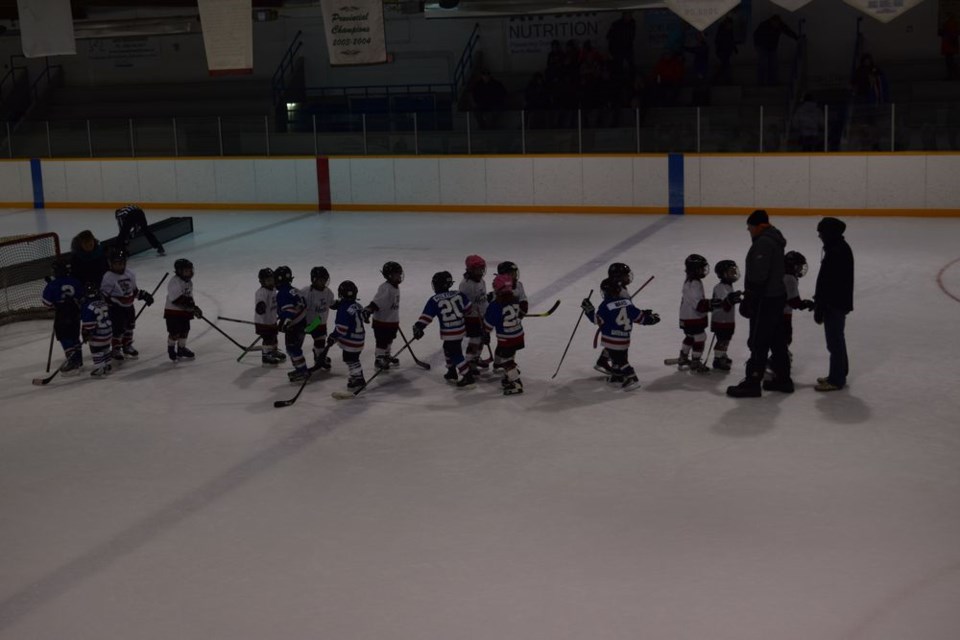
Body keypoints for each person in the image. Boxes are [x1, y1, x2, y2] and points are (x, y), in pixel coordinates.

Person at [726, 210, 790, 397]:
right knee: (777, 339)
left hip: (766, 299)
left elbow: (758, 276)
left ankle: (752, 382)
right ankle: (783, 379)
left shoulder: (764, 243)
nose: (749, 230)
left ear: (760, 226)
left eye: (750, 227)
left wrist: (750, 299)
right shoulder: (774, 239)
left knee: (758, 340)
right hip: (776, 296)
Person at [581, 277, 660, 391]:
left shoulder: (606, 305)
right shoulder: (627, 303)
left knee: (619, 360)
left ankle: (632, 379)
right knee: (621, 358)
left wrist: (588, 309)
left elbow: (596, 320)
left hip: (611, 340)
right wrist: (651, 318)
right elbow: (640, 317)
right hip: (624, 339)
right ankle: (616, 378)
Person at [412, 271, 476, 389]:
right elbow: (469, 309)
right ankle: (451, 371)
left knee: (455, 353)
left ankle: (467, 375)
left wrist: (419, 326)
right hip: (460, 330)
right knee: (447, 348)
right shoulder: (459, 294)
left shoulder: (434, 299)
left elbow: (427, 316)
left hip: (449, 332)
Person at [813, 217, 854, 392]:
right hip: (837, 302)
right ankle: (839, 373)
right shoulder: (837, 248)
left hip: (834, 303)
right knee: (837, 339)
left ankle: (837, 379)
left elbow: (829, 283)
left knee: (834, 341)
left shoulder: (837, 251)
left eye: (821, 232)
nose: (819, 236)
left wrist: (821, 305)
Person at [100, 247, 153, 362]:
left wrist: (143, 296)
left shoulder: (130, 274)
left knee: (130, 327)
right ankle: (116, 349)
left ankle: (127, 345)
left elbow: (133, 291)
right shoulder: (108, 277)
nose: (119, 266)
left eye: (122, 263)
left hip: (129, 307)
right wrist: (107, 305)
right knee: (118, 330)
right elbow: (104, 295)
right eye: (116, 264)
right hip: (116, 309)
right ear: (110, 264)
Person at [41, 259, 84, 375]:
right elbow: (81, 297)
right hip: (75, 313)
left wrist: (51, 286)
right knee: (74, 336)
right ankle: (79, 360)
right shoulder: (75, 281)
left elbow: (47, 303)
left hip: (62, 314)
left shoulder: (52, 285)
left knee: (65, 337)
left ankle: (72, 362)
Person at [484, 274, 525, 396]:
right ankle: (509, 377)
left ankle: (516, 383)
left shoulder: (495, 306)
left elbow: (488, 325)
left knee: (506, 362)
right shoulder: (516, 299)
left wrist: (485, 334)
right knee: (510, 357)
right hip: (519, 335)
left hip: (507, 339)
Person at [674, 254, 711, 372]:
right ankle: (695, 362)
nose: (704, 270)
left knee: (690, 336)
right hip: (693, 317)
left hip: (686, 317)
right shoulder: (694, 283)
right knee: (700, 337)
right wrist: (713, 305)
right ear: (694, 270)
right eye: (701, 268)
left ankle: (683, 357)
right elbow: (698, 304)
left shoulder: (690, 281)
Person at [326, 281, 366, 391]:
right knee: (354, 358)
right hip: (360, 340)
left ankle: (358, 378)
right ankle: (356, 376)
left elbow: (342, 328)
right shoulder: (358, 305)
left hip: (351, 341)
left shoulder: (343, 308)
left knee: (350, 359)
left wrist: (333, 336)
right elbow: (362, 317)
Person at [365, 261, 403, 371]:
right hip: (382, 322)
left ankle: (386, 355)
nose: (399, 276)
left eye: (400, 274)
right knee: (382, 341)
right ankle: (379, 358)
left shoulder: (395, 286)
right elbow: (378, 302)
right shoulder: (385, 288)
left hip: (392, 321)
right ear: (389, 275)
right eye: (397, 274)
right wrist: (369, 309)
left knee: (390, 339)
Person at [274, 266, 309, 383]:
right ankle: (300, 369)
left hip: (295, 326)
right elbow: (300, 305)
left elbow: (289, 311)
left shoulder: (282, 294)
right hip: (303, 323)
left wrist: (285, 322)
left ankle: (302, 371)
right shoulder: (294, 289)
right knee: (294, 348)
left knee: (292, 348)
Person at [164, 258, 202, 362]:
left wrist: (194, 307)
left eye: (190, 270)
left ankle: (181, 348)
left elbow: (189, 297)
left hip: (184, 312)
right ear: (179, 271)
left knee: (185, 330)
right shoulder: (174, 282)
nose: (188, 273)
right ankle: (171, 349)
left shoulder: (189, 282)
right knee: (175, 333)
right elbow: (176, 299)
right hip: (173, 312)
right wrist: (190, 307)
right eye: (186, 271)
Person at [709, 259, 742, 371]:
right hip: (721, 320)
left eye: (734, 270)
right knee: (722, 339)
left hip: (727, 320)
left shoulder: (728, 286)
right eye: (730, 271)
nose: (734, 273)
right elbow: (724, 304)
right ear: (723, 274)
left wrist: (734, 297)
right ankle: (718, 359)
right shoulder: (720, 287)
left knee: (726, 338)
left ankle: (722, 355)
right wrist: (732, 299)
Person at [300, 266, 335, 371]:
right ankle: (299, 359)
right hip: (307, 323)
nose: (323, 282)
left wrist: (342, 303)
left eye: (324, 280)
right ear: (314, 279)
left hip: (320, 322)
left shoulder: (328, 292)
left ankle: (319, 356)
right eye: (321, 280)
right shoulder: (307, 292)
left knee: (320, 341)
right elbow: (298, 306)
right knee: (297, 343)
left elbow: (332, 304)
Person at [459, 255, 489, 373]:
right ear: (470, 270)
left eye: (482, 269)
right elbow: (463, 304)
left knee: (482, 338)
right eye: (477, 269)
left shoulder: (482, 280)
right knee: (475, 339)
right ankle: (469, 361)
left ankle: (476, 358)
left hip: (482, 315)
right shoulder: (466, 285)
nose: (480, 272)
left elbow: (482, 298)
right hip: (472, 318)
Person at [782, 251, 814, 360]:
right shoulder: (789, 279)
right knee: (785, 335)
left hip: (779, 313)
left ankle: (781, 352)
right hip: (782, 314)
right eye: (799, 266)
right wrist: (805, 304)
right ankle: (780, 356)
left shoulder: (783, 275)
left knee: (784, 335)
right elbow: (793, 301)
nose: (801, 269)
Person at [80, 280, 114, 378]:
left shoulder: (87, 306)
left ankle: (99, 369)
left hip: (98, 335)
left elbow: (88, 323)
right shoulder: (103, 303)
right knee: (105, 348)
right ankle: (107, 365)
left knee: (96, 349)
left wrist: (86, 333)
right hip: (108, 333)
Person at [753, 14, 797, 86]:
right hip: (763, 47)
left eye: (777, 24)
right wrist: (757, 46)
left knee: (773, 65)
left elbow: (788, 31)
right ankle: (761, 82)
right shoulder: (764, 25)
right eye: (775, 24)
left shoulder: (780, 25)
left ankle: (771, 82)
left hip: (772, 47)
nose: (776, 25)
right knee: (763, 64)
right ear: (771, 21)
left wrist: (796, 37)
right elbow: (756, 35)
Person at [254, 268, 286, 367]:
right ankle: (266, 355)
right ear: (262, 282)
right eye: (268, 280)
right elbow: (260, 301)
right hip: (263, 322)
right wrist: (261, 306)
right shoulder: (261, 292)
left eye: (271, 279)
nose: (270, 282)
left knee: (274, 336)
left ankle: (273, 351)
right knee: (268, 338)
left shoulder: (273, 289)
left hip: (271, 320)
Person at [606, 11, 636, 77]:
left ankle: (631, 81)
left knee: (631, 67)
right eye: (628, 15)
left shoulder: (632, 23)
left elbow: (631, 37)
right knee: (618, 68)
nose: (630, 17)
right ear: (624, 15)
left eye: (630, 15)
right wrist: (610, 51)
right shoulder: (616, 24)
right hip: (618, 50)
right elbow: (610, 37)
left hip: (628, 49)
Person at [715, 15, 738, 83]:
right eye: (730, 24)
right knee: (725, 66)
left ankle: (723, 79)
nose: (731, 26)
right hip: (723, 51)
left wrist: (734, 48)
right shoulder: (723, 31)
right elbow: (719, 41)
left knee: (725, 66)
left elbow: (731, 40)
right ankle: (726, 80)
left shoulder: (728, 31)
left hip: (726, 51)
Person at [939, 13, 959, 80]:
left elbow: (951, 35)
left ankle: (952, 75)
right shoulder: (952, 23)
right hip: (950, 45)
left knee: (949, 61)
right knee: (950, 60)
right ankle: (953, 75)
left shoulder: (950, 23)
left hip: (949, 45)